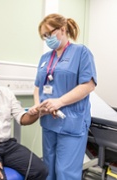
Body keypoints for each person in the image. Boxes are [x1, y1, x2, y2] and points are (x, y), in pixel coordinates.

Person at [28, 13, 97, 180]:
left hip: (71, 121)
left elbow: (89, 85)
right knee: (48, 170)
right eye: (44, 36)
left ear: (62, 30)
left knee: (65, 173)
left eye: (49, 34)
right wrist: (38, 105)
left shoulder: (81, 52)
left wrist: (59, 102)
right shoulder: (45, 58)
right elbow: (37, 86)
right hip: (49, 122)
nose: (47, 39)